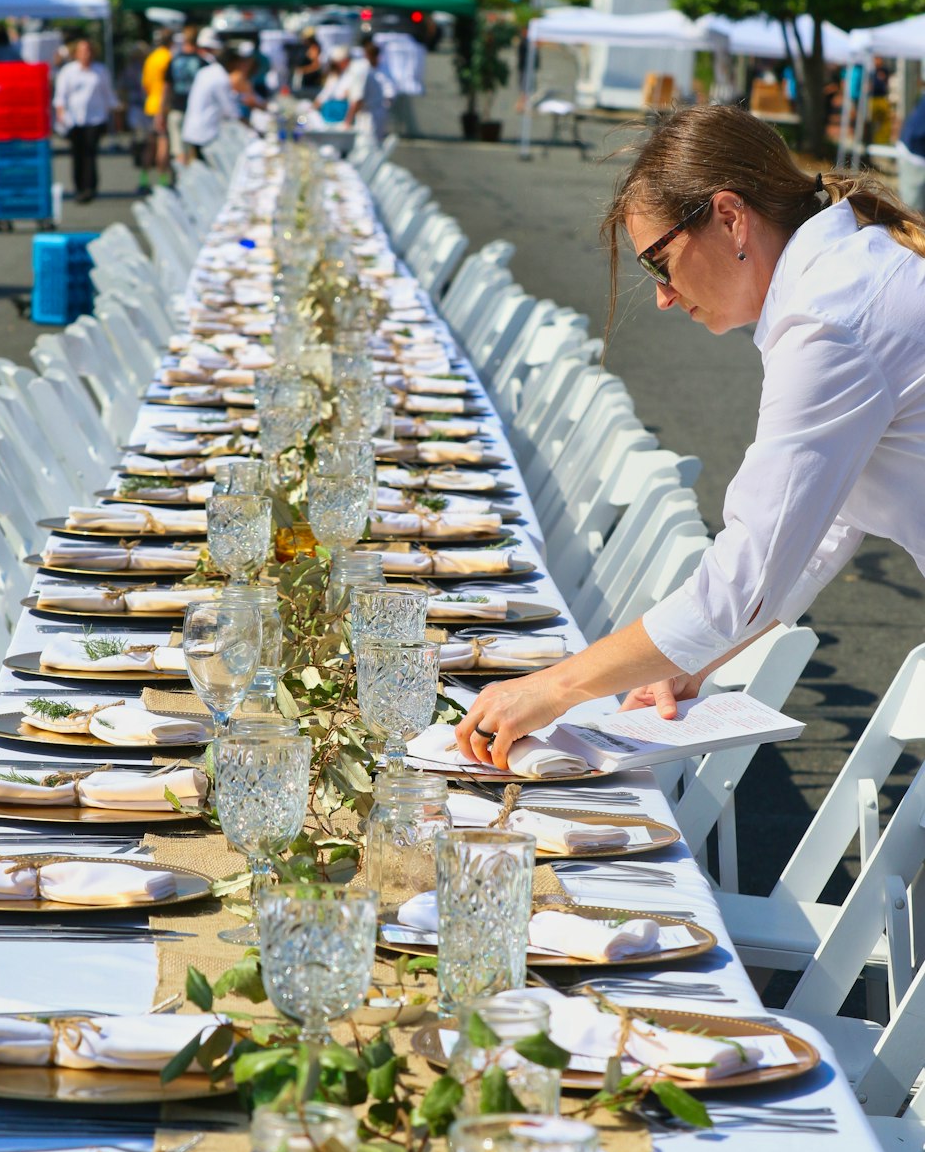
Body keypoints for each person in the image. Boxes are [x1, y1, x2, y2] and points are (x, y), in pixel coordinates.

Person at [457, 102, 925, 768]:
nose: (663, 295)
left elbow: (749, 570)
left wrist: (556, 686)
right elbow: (819, 531)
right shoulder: (843, 276)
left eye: (658, 262)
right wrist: (689, 655)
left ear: (731, 217)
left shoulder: (830, 320)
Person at [54, 37, 117, 204]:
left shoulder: (100, 70)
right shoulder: (68, 71)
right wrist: (61, 116)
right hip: (74, 119)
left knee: (90, 153)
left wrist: (113, 115)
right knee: (77, 154)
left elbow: (108, 94)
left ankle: (90, 187)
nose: (85, 54)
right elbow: (61, 97)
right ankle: (79, 187)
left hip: (95, 118)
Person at [181, 37, 236, 158]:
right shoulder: (221, 78)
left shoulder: (205, 71)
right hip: (205, 133)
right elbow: (231, 111)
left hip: (192, 128)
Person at [162, 25, 204, 166]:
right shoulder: (202, 62)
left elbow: (166, 88)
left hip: (176, 108)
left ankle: (181, 180)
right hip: (195, 112)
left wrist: (161, 111)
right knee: (192, 153)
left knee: (179, 151)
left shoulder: (174, 60)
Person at [141, 26, 172, 185]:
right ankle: (162, 178)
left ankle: (144, 177)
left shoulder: (151, 58)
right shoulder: (169, 58)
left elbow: (145, 84)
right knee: (163, 142)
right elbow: (168, 85)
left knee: (149, 144)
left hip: (150, 104)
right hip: (163, 106)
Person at [119, 39, 150, 194]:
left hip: (144, 109)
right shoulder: (132, 70)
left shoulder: (145, 68)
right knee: (143, 143)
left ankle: (145, 176)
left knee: (144, 143)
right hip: (139, 109)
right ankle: (144, 176)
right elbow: (123, 89)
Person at [344, 39, 390, 143]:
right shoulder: (364, 69)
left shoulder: (362, 69)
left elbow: (358, 99)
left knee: (368, 145)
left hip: (369, 118)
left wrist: (347, 122)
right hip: (370, 115)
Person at [293, 31, 325, 98]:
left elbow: (316, 65)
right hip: (305, 79)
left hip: (310, 80)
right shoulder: (307, 48)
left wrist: (303, 70)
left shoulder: (314, 49)